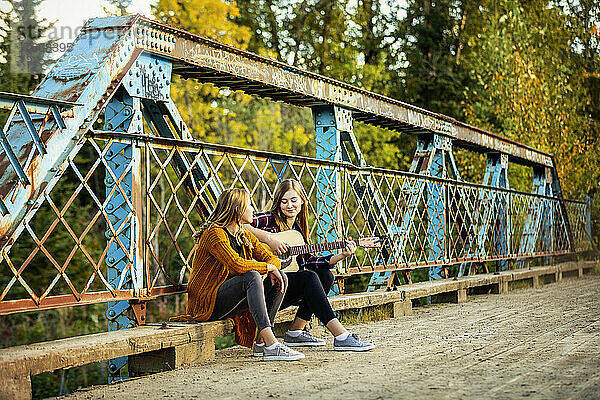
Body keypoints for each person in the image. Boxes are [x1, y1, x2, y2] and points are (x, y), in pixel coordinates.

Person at [170, 188, 304, 361]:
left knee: (280, 278)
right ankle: (272, 344)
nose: (253, 210)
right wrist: (268, 268)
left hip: (228, 299)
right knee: (252, 276)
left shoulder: (243, 233)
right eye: (249, 205)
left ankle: (263, 343)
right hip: (207, 302)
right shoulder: (214, 233)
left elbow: (272, 259)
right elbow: (236, 265)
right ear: (237, 210)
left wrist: (271, 267)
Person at [246, 179, 375, 352]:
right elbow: (241, 225)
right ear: (278, 202)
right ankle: (341, 335)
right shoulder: (268, 219)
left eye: (293, 200)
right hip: (263, 286)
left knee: (324, 275)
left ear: (302, 201)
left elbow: (311, 261)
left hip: (281, 287)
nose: (289, 205)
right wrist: (270, 239)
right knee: (308, 278)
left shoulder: (298, 231)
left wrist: (342, 255)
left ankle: (295, 332)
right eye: (284, 201)